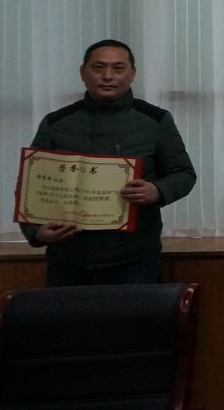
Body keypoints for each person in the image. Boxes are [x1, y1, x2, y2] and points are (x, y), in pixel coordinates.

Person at [20, 39, 197, 286]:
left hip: (133, 258)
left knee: (132, 313)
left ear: (132, 74)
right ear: (83, 73)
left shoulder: (155, 121)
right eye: (98, 67)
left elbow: (183, 174)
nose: (107, 76)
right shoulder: (56, 123)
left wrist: (157, 191)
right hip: (68, 257)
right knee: (67, 313)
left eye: (118, 68)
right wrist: (36, 232)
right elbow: (30, 185)